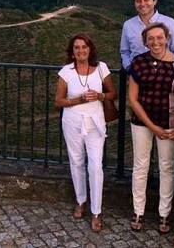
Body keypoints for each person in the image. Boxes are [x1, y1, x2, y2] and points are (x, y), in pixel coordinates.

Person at [127, 22, 174, 233]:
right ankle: (138, 211)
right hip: (142, 123)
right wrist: (152, 126)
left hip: (170, 123)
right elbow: (133, 99)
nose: (155, 42)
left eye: (159, 37)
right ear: (145, 42)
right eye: (151, 39)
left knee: (167, 167)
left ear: (167, 37)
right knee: (140, 166)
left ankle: (164, 214)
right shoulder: (138, 62)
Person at [54, 34, 116, 232]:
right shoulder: (66, 72)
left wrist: (100, 96)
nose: (81, 50)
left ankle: (96, 210)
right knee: (77, 162)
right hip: (72, 122)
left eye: (84, 47)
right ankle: (81, 200)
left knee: (96, 165)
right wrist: (77, 101)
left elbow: (113, 93)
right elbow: (58, 101)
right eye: (77, 47)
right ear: (72, 52)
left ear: (90, 49)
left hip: (95, 123)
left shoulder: (102, 68)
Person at [120, 0, 174, 69]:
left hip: (165, 73)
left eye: (146, 0)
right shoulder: (128, 25)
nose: (142, 4)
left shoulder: (170, 23)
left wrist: (172, 69)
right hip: (137, 74)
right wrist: (129, 68)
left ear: (155, 1)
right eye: (138, 1)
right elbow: (125, 52)